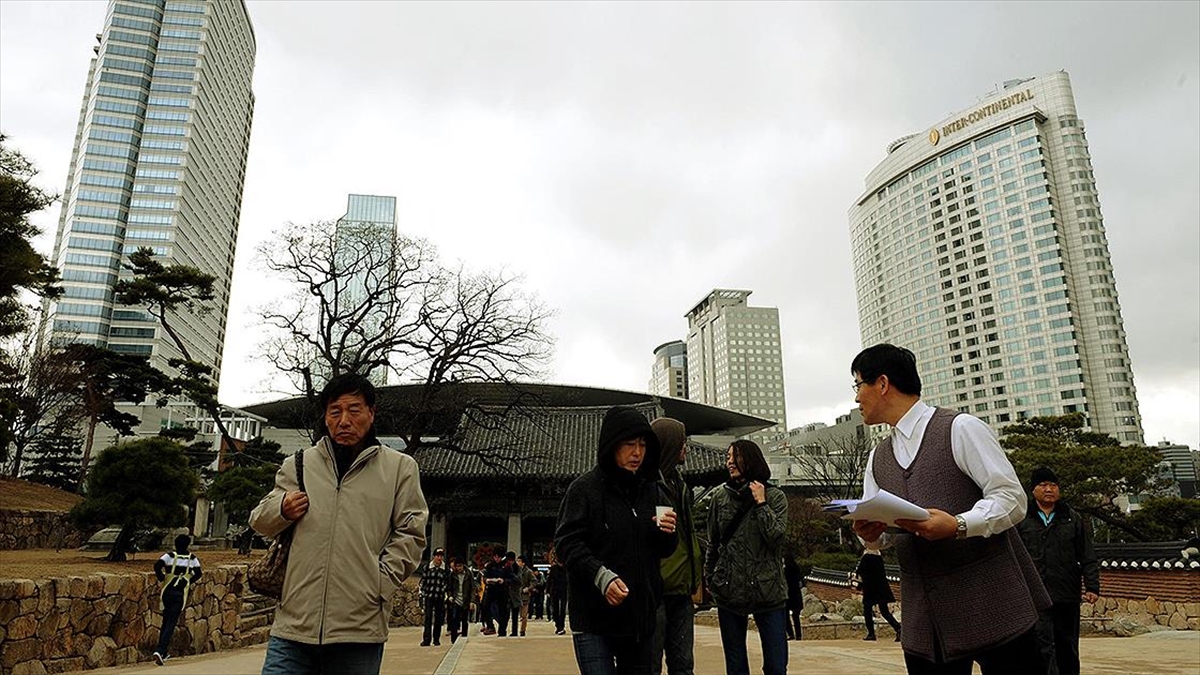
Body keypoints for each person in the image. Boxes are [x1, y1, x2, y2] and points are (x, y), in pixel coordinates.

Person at [848, 344, 1050, 675]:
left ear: (882, 384)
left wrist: (958, 525)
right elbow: (885, 532)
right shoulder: (877, 458)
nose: (856, 398)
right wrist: (872, 536)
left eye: (858, 385)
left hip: (992, 606)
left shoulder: (960, 428)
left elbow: (1012, 498)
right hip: (925, 625)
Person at [250, 373, 429, 675]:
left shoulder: (399, 468)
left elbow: (411, 534)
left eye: (354, 410)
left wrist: (378, 583)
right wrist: (281, 508)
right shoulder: (299, 463)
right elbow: (260, 521)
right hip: (294, 625)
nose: (344, 420)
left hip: (358, 627)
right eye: (335, 411)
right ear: (326, 416)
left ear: (371, 414)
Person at [555, 405, 678, 675]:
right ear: (611, 445)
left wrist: (667, 532)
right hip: (593, 619)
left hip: (639, 620)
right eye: (629, 444)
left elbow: (665, 550)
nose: (637, 453)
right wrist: (601, 576)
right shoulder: (584, 490)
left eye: (643, 445)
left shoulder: (653, 491)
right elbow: (566, 543)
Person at [705, 439, 789, 675]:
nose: (730, 462)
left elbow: (777, 538)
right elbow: (713, 542)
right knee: (735, 664)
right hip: (729, 589)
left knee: (776, 664)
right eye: (728, 457)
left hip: (768, 591)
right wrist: (709, 577)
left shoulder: (775, 497)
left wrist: (761, 503)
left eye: (736, 457)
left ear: (751, 460)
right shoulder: (719, 498)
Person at [1017, 467, 1100, 675]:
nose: (1049, 489)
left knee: (1067, 645)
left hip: (1066, 593)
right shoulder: (1022, 519)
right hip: (1035, 593)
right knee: (1040, 644)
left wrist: (1092, 586)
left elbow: (1087, 554)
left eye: (1053, 485)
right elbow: (1014, 556)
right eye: (1043, 485)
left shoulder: (1072, 518)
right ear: (1033, 490)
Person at [650, 417, 703, 675]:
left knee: (683, 664)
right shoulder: (646, 486)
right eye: (682, 442)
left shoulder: (680, 485)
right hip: (655, 590)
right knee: (649, 663)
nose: (686, 448)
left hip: (681, 589)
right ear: (670, 445)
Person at [152, 534, 202, 666]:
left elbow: (157, 565)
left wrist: (162, 577)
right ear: (187, 545)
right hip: (180, 593)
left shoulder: (169, 556)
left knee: (166, 619)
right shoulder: (192, 559)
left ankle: (162, 651)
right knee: (171, 622)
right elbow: (199, 574)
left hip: (167, 591)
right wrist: (187, 581)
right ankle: (161, 649)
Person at [855, 549, 901, 642]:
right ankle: (899, 629)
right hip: (881, 588)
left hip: (870, 588)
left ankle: (871, 633)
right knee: (884, 612)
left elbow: (859, 572)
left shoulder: (866, 557)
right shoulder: (879, 557)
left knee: (867, 610)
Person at [420, 547, 450, 646]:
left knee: (438, 619)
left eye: (441, 556)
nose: (439, 558)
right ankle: (426, 639)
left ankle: (436, 639)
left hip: (440, 596)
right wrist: (423, 592)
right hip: (429, 595)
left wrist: (445, 592)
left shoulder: (445, 568)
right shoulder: (427, 567)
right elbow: (423, 580)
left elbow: (447, 582)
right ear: (433, 556)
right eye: (437, 556)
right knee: (428, 617)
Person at [447, 556, 476, 644]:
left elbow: (472, 588)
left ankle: (464, 637)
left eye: (460, 566)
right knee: (454, 619)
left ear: (463, 565)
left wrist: (472, 601)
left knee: (464, 620)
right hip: (456, 599)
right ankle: (453, 639)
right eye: (457, 566)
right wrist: (450, 596)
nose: (458, 568)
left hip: (465, 600)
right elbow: (449, 587)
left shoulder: (468, 574)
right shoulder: (452, 575)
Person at [547, 550, 569, 635]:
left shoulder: (566, 569)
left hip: (564, 591)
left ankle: (561, 627)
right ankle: (558, 625)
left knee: (562, 610)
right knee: (555, 610)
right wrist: (548, 591)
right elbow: (549, 580)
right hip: (554, 591)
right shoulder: (553, 569)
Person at [782, 553, 803, 641]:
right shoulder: (796, 569)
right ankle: (798, 635)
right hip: (797, 595)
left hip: (788, 595)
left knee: (786, 616)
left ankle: (790, 634)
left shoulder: (786, 571)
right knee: (796, 616)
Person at [517, 555, 536, 636]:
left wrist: (528, 588)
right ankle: (515, 630)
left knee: (524, 615)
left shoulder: (528, 572)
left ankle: (522, 630)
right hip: (516, 596)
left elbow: (534, 581)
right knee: (517, 614)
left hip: (524, 596)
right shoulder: (515, 570)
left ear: (523, 563)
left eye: (519, 561)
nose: (517, 562)